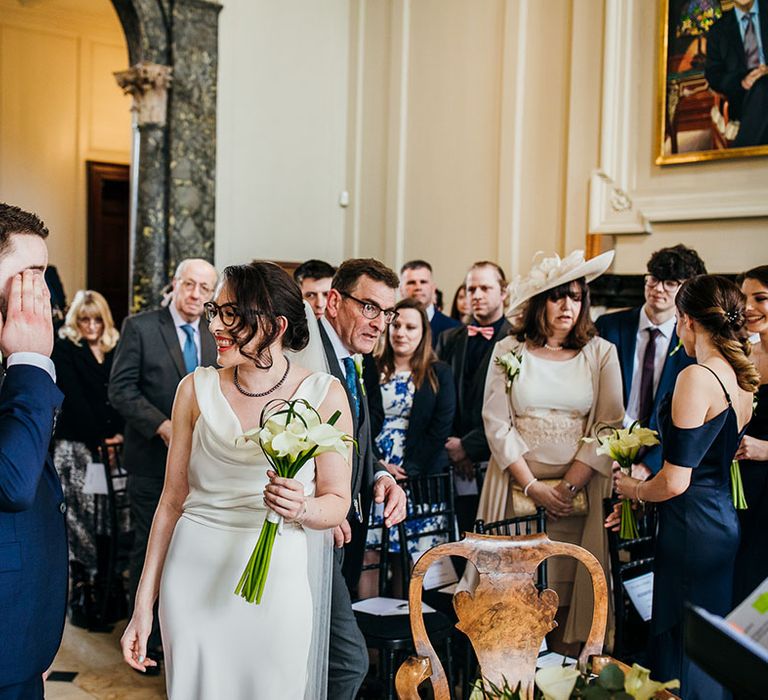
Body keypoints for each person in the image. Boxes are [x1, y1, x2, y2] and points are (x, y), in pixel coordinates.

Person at [120, 262, 352, 699]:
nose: (215, 327)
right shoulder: (194, 389)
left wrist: (302, 507)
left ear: (276, 325)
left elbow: (336, 500)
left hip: (277, 580)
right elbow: (170, 502)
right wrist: (142, 607)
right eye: (215, 312)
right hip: (191, 577)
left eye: (231, 315)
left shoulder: (324, 394)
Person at [608, 275, 757, 700]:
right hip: (722, 521)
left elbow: (675, 480)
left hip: (690, 527)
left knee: (682, 642)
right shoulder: (740, 379)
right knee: (708, 644)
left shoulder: (697, 377)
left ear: (686, 319)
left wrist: (632, 489)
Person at [476, 250, 623, 648]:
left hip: (580, 493)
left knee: (569, 589)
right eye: (559, 296)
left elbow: (608, 424)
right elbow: (496, 420)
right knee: (513, 593)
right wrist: (532, 486)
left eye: (576, 297)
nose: (567, 306)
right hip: (513, 488)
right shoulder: (509, 349)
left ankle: (564, 675)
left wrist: (568, 487)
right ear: (541, 301)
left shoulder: (601, 352)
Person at [109, 258, 218, 665]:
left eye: (205, 288)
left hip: (205, 466)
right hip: (153, 461)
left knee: (191, 549)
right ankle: (145, 635)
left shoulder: (214, 333)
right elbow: (120, 390)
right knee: (150, 545)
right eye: (189, 285)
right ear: (174, 284)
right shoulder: (140, 327)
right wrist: (163, 425)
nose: (195, 294)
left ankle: (182, 632)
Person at [318, 258, 407, 700]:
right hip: (311, 527)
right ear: (334, 301)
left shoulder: (356, 360)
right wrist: (324, 500)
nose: (380, 324)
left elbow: (359, 439)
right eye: (370, 308)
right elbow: (275, 439)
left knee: (322, 659)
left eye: (387, 314)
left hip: (345, 527)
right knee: (348, 660)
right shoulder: (305, 354)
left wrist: (378, 475)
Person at [0, 203, 67, 700]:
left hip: (19, 627)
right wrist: (29, 360)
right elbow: (13, 482)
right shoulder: (22, 354)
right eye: (29, 273)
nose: (40, 288)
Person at [596, 244, 707, 480]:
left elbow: (689, 420)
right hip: (605, 454)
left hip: (661, 463)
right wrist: (609, 453)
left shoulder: (692, 343)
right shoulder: (608, 326)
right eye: (654, 279)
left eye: (670, 283)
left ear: (686, 288)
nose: (658, 289)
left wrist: (648, 466)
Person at [51, 290, 124, 616]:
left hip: (113, 449)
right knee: (79, 520)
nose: (91, 325)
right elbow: (74, 400)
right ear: (75, 321)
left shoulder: (115, 349)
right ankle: (85, 590)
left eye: (97, 319)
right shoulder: (65, 348)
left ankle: (109, 587)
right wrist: (101, 437)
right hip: (77, 450)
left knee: (112, 520)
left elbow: (122, 394)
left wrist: (118, 434)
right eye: (84, 319)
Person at [436, 261, 512, 534]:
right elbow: (439, 397)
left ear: (503, 292)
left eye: (485, 288)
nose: (476, 295)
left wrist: (469, 446)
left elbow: (514, 407)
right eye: (471, 289)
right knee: (461, 539)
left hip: (497, 457)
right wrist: (454, 447)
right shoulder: (448, 338)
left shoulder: (518, 339)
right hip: (452, 459)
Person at [374, 297, 456, 480]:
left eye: (410, 327)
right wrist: (377, 464)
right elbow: (361, 421)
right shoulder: (371, 367)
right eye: (396, 325)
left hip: (422, 470)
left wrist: (410, 469)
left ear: (423, 332)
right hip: (376, 465)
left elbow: (440, 428)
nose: (400, 333)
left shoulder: (439, 372)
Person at [733, 265, 768, 605]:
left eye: (760, 298)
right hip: (738, 487)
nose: (748, 307)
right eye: (743, 298)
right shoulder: (743, 353)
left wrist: (766, 449)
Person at [705, 0, 768, 147]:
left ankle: (740, 155)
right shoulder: (718, 31)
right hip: (741, 100)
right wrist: (742, 81)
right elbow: (714, 75)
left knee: (764, 85)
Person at [399, 260, 460, 347]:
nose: (418, 287)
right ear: (401, 290)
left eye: (423, 282)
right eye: (411, 282)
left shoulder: (454, 329)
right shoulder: (387, 326)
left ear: (433, 288)